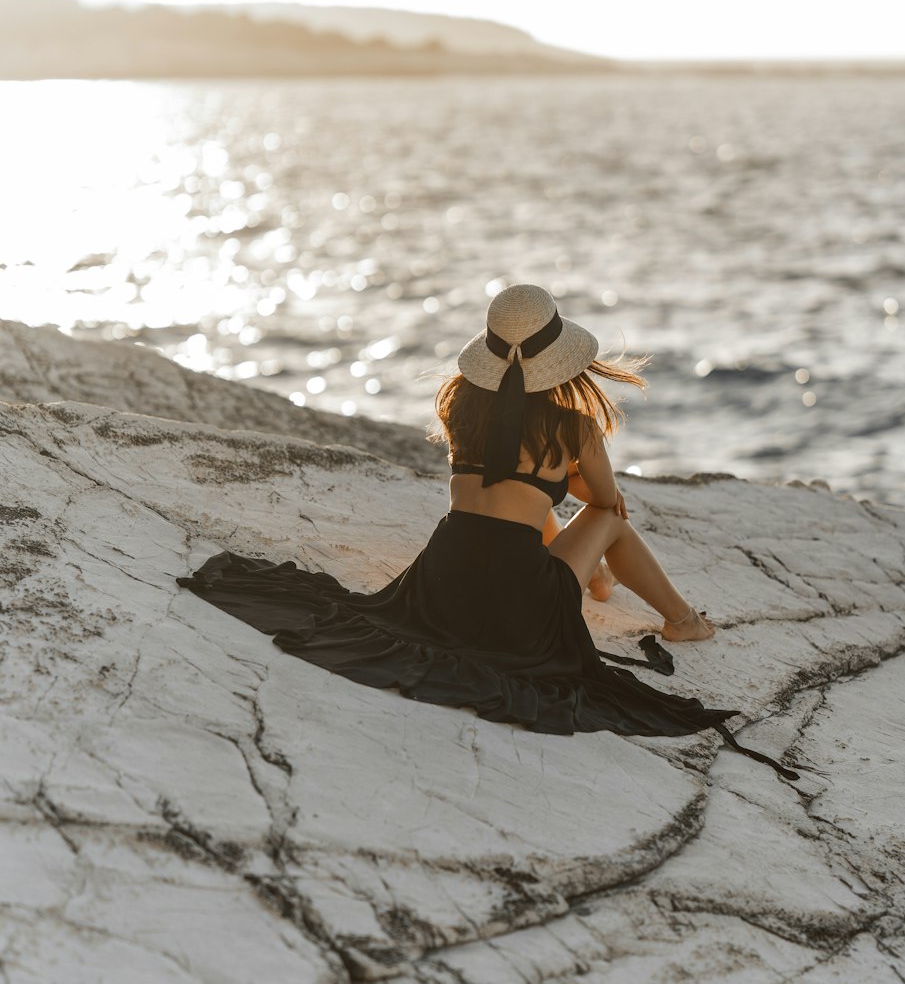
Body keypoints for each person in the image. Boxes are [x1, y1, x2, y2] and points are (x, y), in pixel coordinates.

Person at [176, 283, 800, 781]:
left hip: (441, 576)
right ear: (563, 360)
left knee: (527, 512)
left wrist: (557, 482)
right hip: (515, 593)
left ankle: (600, 579)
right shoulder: (569, 425)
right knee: (603, 520)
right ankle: (681, 619)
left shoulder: (459, 404)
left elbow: (517, 488)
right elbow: (605, 502)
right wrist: (580, 476)